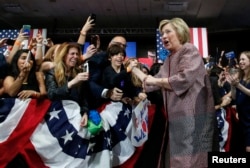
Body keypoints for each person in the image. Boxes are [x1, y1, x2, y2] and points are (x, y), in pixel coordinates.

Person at [130, 17, 216, 168]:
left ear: (180, 32)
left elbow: (184, 78)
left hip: (193, 119)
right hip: (177, 121)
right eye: (162, 33)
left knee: (191, 161)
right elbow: (152, 82)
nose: (163, 36)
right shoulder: (169, 59)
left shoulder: (189, 50)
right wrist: (135, 70)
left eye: (168, 31)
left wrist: (154, 81)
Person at [45, 42, 89, 127]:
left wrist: (85, 113)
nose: (75, 57)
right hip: (58, 115)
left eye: (77, 54)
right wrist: (72, 83)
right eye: (72, 54)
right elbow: (52, 94)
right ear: (64, 55)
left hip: (76, 115)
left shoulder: (79, 72)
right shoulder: (52, 72)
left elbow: (84, 98)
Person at [87, 35, 127, 109]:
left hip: (116, 106)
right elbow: (91, 82)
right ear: (110, 45)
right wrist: (107, 93)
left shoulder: (123, 63)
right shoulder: (98, 59)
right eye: (118, 44)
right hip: (98, 105)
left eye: (124, 46)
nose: (121, 47)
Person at [226, 51, 250, 152]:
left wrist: (238, 85)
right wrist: (232, 84)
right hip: (242, 121)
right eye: (240, 59)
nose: (240, 62)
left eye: (243, 59)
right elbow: (235, 97)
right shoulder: (240, 78)